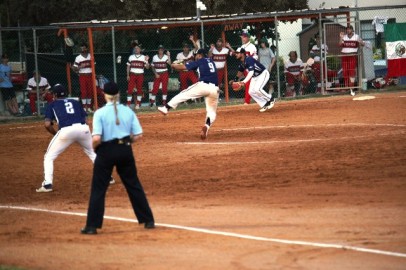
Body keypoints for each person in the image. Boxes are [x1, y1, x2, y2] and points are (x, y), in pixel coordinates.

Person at [81, 82, 155, 234]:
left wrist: (97, 149)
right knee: (133, 184)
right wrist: (127, 143)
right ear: (119, 94)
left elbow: (96, 139)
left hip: (106, 151)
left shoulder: (100, 113)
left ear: (104, 94)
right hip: (125, 149)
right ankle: (148, 220)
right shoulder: (128, 111)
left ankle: (92, 226)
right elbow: (138, 135)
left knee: (99, 189)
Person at [36, 84, 114, 193]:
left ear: (54, 95)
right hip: (83, 129)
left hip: (66, 131)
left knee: (49, 156)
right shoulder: (75, 102)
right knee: (93, 153)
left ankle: (47, 184)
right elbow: (86, 121)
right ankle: (108, 177)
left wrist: (56, 134)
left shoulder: (52, 104)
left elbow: (47, 124)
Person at [157, 49, 220, 140]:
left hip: (203, 85)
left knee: (184, 94)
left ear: (200, 55)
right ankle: (206, 125)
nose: (195, 56)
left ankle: (166, 108)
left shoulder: (200, 61)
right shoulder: (211, 61)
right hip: (215, 89)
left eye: (197, 55)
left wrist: (173, 65)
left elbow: (183, 67)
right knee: (211, 112)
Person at [234, 47, 275, 112]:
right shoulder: (242, 62)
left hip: (263, 74)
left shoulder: (249, 59)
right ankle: (264, 104)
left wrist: (243, 82)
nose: (236, 54)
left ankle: (270, 98)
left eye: (237, 53)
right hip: (255, 77)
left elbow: (251, 72)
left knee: (257, 89)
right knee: (251, 92)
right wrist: (235, 79)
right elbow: (240, 71)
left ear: (242, 54)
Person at [339, 25, 365, 96]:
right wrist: (341, 38)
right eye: (347, 29)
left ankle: (352, 87)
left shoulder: (356, 36)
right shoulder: (344, 36)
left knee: (352, 72)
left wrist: (360, 42)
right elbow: (340, 44)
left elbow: (363, 44)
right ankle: (348, 87)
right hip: (344, 55)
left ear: (352, 30)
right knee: (345, 71)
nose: (348, 30)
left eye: (349, 29)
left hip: (352, 55)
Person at [126, 43, 150, 109]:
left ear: (140, 50)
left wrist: (147, 60)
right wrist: (128, 75)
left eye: (137, 48)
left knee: (139, 89)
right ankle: (128, 104)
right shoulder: (131, 57)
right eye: (135, 48)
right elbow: (128, 66)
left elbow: (147, 67)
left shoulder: (143, 57)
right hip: (132, 74)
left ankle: (138, 104)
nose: (136, 49)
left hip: (140, 75)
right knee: (130, 89)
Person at [72, 44, 94, 113]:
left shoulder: (91, 56)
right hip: (82, 75)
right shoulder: (78, 57)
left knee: (90, 91)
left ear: (86, 48)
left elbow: (94, 65)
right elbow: (74, 68)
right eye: (81, 48)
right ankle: (85, 107)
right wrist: (80, 67)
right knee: (84, 91)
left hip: (90, 75)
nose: (83, 50)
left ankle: (89, 107)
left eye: (84, 48)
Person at [239, 32, 258, 105]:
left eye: (244, 37)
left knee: (248, 85)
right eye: (242, 37)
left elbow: (255, 57)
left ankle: (247, 101)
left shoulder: (252, 47)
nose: (242, 38)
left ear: (248, 38)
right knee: (250, 85)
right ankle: (260, 99)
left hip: (250, 68)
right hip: (245, 68)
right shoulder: (242, 46)